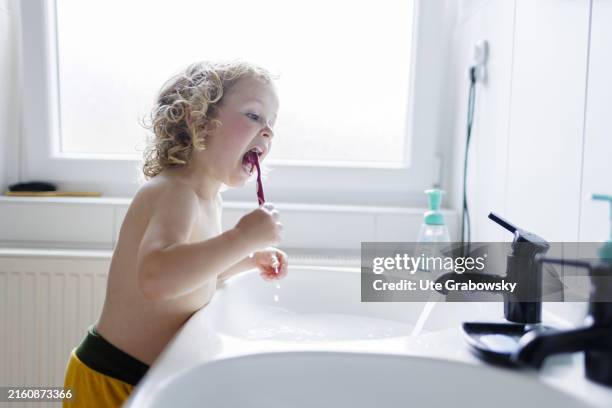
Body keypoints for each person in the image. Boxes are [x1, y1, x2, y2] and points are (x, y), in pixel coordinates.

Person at [63, 61, 287, 407]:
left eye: (271, 124)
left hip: (144, 379)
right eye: (255, 116)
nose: (268, 132)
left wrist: (246, 260)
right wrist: (241, 238)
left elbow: (192, 278)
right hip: (111, 378)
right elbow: (158, 279)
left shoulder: (208, 200)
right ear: (199, 121)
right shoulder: (174, 192)